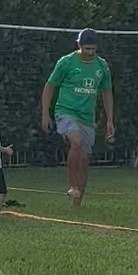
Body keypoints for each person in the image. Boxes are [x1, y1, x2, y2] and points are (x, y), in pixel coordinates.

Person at [41, 30, 115, 207]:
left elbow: (107, 93)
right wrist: (45, 114)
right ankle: (72, 185)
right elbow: (49, 87)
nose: (90, 52)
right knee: (76, 141)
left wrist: (110, 120)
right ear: (79, 45)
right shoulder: (66, 62)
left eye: (93, 49)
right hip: (65, 111)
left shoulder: (101, 66)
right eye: (86, 49)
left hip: (87, 117)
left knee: (84, 158)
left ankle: (78, 201)